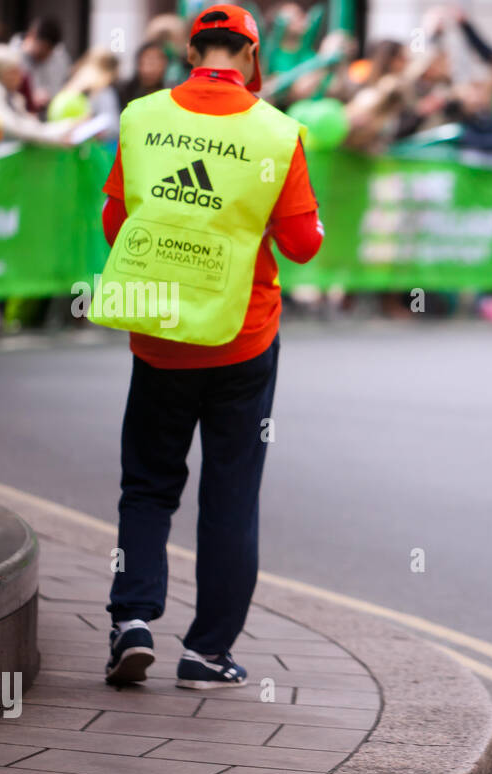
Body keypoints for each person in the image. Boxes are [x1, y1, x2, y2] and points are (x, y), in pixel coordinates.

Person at [94, 4, 323, 689]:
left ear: (193, 53)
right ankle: (206, 653)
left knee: (147, 485)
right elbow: (304, 245)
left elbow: (115, 225)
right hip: (241, 341)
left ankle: (132, 621)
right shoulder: (276, 133)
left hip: (158, 334)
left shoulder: (142, 117)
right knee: (230, 496)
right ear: (251, 59)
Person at [11, 17, 72, 109]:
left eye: (49, 51)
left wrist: (50, 95)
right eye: (42, 49)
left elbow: (65, 85)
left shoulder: (60, 56)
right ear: (31, 36)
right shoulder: (13, 55)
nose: (45, 56)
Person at [119, 41, 170, 109]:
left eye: (153, 63)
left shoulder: (169, 95)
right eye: (144, 63)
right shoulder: (123, 92)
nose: (148, 69)